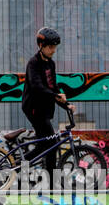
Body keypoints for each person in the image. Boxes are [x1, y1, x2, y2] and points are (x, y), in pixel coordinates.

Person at [21, 26, 74, 181]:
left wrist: (67, 104)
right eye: (50, 47)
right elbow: (37, 87)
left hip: (44, 109)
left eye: (55, 47)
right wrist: (55, 94)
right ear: (41, 46)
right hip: (33, 108)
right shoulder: (33, 63)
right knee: (51, 144)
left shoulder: (50, 64)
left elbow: (53, 87)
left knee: (48, 145)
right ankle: (47, 181)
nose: (53, 50)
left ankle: (45, 179)